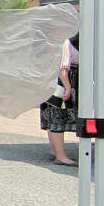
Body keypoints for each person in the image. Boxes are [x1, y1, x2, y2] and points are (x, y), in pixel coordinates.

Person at [40, 38, 79, 166]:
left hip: (48, 81)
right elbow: (63, 68)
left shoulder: (47, 40)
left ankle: (55, 151)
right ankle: (61, 155)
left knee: (51, 116)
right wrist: (68, 87)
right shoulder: (63, 41)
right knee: (58, 116)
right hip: (60, 83)